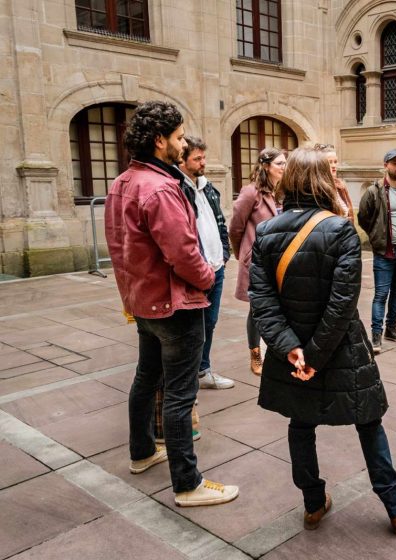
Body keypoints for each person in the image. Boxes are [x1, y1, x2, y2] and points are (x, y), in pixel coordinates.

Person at [248, 147, 396, 535]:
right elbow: (342, 302)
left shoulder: (266, 231)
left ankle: (313, 503)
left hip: (290, 352)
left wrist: (291, 348)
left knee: (300, 422)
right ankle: (395, 507)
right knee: (368, 421)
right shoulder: (340, 229)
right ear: (323, 182)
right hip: (340, 347)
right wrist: (314, 354)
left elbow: (262, 301)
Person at [105, 100, 238, 506]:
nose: (183, 144)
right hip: (174, 305)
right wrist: (207, 277)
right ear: (160, 140)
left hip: (144, 302)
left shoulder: (124, 181)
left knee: (147, 377)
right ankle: (187, 483)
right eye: (179, 137)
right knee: (180, 395)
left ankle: (142, 452)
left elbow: (118, 245)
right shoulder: (160, 187)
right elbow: (182, 252)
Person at [179, 136, 235, 390]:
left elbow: (220, 223)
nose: (203, 163)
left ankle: (203, 371)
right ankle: (187, 379)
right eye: (197, 159)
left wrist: (223, 254)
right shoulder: (177, 189)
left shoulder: (208, 187)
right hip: (196, 271)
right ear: (182, 161)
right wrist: (200, 265)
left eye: (204, 157)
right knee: (191, 328)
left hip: (216, 268)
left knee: (209, 323)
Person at [229, 147, 286, 375]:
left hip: (281, 260)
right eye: (280, 164)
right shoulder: (250, 192)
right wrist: (242, 254)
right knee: (257, 309)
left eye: (285, 163)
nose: (284, 168)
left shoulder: (281, 192)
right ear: (265, 166)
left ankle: (278, 349)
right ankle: (255, 354)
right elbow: (235, 227)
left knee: (279, 306)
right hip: (258, 262)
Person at [358, 149, 396, 353]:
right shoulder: (374, 192)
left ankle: (391, 329)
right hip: (385, 252)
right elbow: (363, 218)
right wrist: (377, 237)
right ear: (386, 165)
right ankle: (376, 335)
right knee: (381, 294)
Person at [313, 143, 354, 222]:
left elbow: (349, 212)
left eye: (335, 162)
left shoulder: (340, 185)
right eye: (330, 162)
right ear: (321, 165)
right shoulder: (318, 188)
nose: (334, 165)